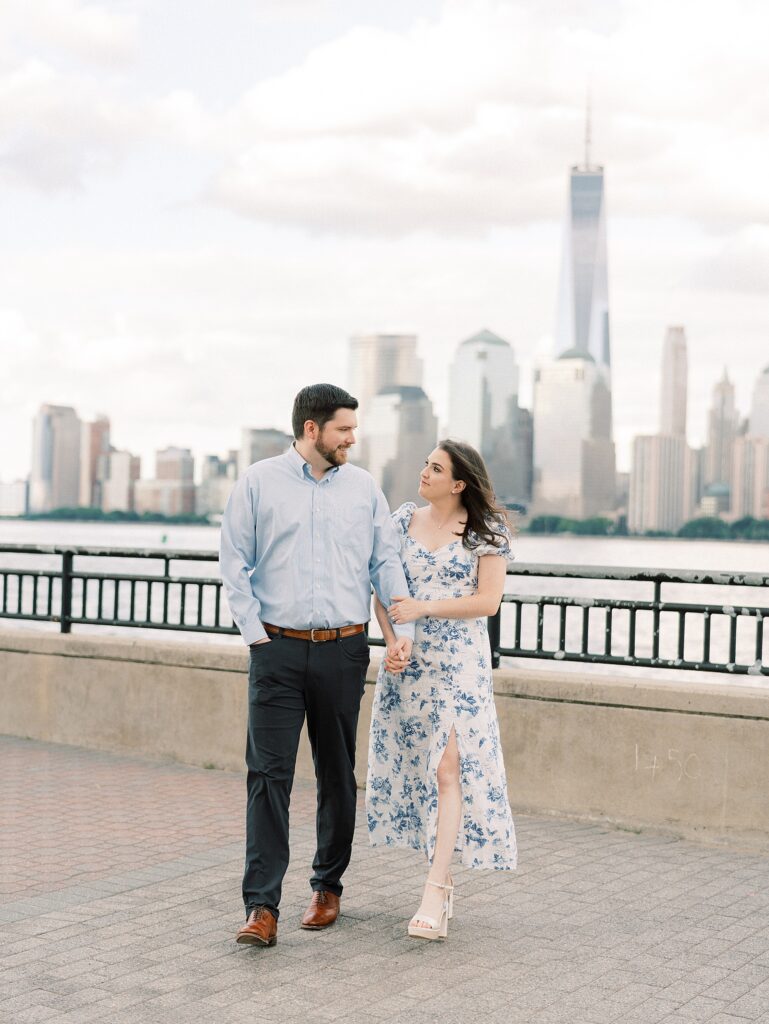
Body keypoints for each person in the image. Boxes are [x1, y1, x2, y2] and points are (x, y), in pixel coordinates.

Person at [220, 383, 414, 947]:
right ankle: (261, 907)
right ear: (312, 430)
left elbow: (384, 563)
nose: (352, 439)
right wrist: (257, 638)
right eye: (344, 430)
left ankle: (328, 887)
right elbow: (235, 562)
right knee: (268, 777)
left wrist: (400, 632)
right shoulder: (258, 482)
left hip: (343, 650)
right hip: (275, 651)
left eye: (353, 429)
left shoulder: (363, 488)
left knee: (337, 774)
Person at [366, 439, 517, 940]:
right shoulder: (401, 522)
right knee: (420, 769)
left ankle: (435, 890)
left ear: (458, 483)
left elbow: (488, 601)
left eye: (435, 467)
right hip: (410, 665)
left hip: (459, 666)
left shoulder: (485, 533)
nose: (423, 471)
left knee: (448, 767)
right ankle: (443, 874)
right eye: (425, 462)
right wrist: (392, 640)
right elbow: (384, 592)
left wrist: (425, 608)